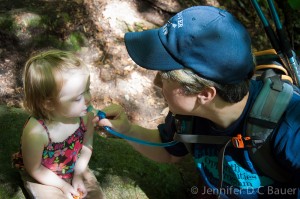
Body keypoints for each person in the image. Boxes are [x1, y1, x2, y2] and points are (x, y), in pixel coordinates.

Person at [95, 6, 300, 198]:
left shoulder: (289, 132)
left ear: (204, 94)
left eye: (165, 76)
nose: (156, 83)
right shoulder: (188, 115)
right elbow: (169, 151)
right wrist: (127, 130)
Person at [13, 50, 105, 199]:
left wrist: (78, 175)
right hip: (44, 176)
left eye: (87, 89)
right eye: (78, 98)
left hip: (75, 167)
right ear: (49, 104)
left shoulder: (85, 115)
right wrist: (63, 186)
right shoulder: (36, 132)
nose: (88, 99)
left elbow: (87, 146)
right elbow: (34, 168)